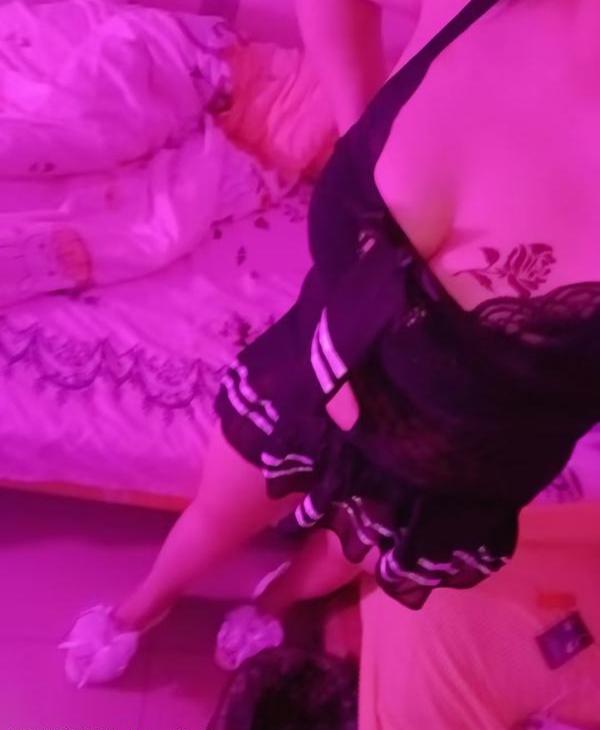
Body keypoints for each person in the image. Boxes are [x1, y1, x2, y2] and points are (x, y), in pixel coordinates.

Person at [61, 0, 600, 687]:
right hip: (310, 372)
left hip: (445, 467)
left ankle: (273, 603)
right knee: (214, 516)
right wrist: (360, 129)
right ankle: (141, 610)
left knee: (343, 550)